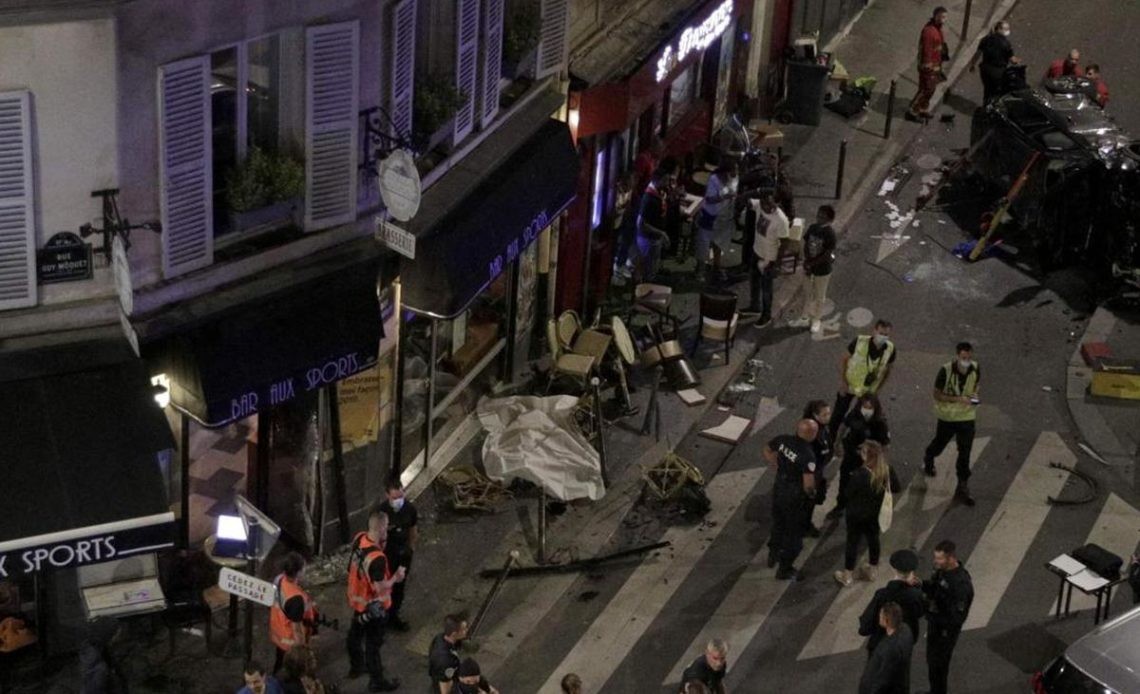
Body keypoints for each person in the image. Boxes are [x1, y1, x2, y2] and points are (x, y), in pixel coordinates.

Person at [346, 508, 406, 692]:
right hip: (374, 606)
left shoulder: (359, 538)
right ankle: (377, 681)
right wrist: (396, 577)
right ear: (381, 529)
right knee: (373, 645)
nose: (387, 530)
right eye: (386, 527)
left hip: (358, 600)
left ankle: (356, 666)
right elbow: (380, 587)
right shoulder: (377, 559)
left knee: (354, 634)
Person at [908, 540, 974, 694]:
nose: (935, 561)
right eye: (935, 558)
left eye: (939, 559)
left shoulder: (961, 585)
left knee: (939, 667)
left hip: (945, 633)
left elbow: (957, 619)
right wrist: (921, 584)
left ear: (951, 558)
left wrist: (930, 612)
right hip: (936, 625)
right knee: (932, 664)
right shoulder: (942, 570)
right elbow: (935, 588)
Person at [834, 441, 901, 586]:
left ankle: (847, 575)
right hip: (876, 514)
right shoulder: (887, 470)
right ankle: (872, 570)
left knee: (852, 542)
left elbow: (848, 493)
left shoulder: (860, 474)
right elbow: (896, 488)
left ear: (866, 456)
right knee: (873, 539)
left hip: (856, 514)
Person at [922, 341, 980, 506]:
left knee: (965, 451)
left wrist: (974, 400)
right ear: (957, 356)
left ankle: (962, 485)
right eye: (963, 357)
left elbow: (976, 386)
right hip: (947, 417)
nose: (966, 361)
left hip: (966, 418)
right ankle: (929, 456)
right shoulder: (945, 371)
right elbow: (937, 394)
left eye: (969, 357)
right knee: (939, 444)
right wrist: (958, 399)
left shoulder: (975, 368)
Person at [763, 419, 819, 580]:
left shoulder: (783, 440)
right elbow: (808, 485)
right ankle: (785, 569)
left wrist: (777, 465)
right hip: (794, 495)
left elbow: (767, 449)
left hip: (780, 487)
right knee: (794, 536)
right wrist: (812, 495)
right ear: (812, 434)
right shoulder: (807, 455)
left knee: (778, 523)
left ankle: (773, 553)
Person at [827, 394, 891, 521]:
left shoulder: (880, 422)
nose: (866, 409)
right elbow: (844, 426)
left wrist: (877, 459)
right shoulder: (855, 414)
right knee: (844, 481)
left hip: (869, 460)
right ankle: (840, 506)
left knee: (866, 486)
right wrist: (837, 443)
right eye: (864, 406)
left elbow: (885, 445)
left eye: (870, 407)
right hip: (851, 455)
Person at [830, 320, 897, 441]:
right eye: (881, 333)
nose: (883, 337)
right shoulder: (860, 341)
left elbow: (888, 370)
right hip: (850, 385)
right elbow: (844, 360)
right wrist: (844, 382)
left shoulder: (890, 349)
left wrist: (878, 390)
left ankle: (850, 439)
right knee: (838, 414)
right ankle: (831, 438)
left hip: (868, 390)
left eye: (886, 335)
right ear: (874, 331)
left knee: (860, 416)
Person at [859, 550, 925, 656]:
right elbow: (920, 612)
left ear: (894, 569)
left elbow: (866, 626)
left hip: (882, 644)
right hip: (905, 643)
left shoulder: (882, 595)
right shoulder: (916, 594)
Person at [377, 479, 418, 631]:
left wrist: (411, 548)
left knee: (399, 588)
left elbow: (413, 530)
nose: (398, 501)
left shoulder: (410, 509)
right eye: (395, 498)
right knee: (384, 588)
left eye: (401, 496)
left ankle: (394, 616)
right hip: (387, 557)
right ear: (387, 495)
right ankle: (382, 617)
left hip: (404, 555)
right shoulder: (381, 512)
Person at [789, 205, 837, 333]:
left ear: (829, 219)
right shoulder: (813, 228)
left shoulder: (830, 234)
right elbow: (806, 243)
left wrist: (811, 264)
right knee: (808, 293)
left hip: (822, 270)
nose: (819, 218)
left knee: (819, 296)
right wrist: (807, 261)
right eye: (818, 215)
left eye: (823, 217)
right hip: (809, 267)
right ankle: (804, 317)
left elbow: (827, 254)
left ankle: (816, 319)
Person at [743, 194, 787, 327]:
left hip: (769, 259)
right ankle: (754, 306)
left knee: (766, 289)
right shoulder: (759, 206)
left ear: (775, 203)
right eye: (764, 204)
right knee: (754, 281)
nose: (767, 207)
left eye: (770, 204)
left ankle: (766, 314)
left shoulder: (781, 220)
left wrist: (778, 264)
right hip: (757, 252)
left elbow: (784, 243)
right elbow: (748, 201)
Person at [269, 552, 317, 674]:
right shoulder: (296, 599)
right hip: (290, 640)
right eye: (304, 568)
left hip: (278, 633)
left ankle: (276, 678)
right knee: (293, 669)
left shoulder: (279, 579)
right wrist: (302, 649)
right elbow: (296, 629)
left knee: (279, 661)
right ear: (298, 572)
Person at [695, 160, 739, 282]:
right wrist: (723, 196)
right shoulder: (714, 179)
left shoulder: (735, 179)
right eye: (732, 171)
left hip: (723, 217)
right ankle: (700, 270)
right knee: (704, 244)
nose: (735, 173)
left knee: (719, 243)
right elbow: (709, 199)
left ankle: (717, 267)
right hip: (709, 216)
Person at [858, 603, 913, 694]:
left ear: (886, 620)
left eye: (881, 615)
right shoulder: (906, 630)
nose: (879, 617)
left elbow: (883, 680)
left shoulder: (889, 649)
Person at [907, 6, 949, 120]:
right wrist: (927, 64)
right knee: (927, 89)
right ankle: (912, 110)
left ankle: (923, 108)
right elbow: (927, 49)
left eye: (945, 17)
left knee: (929, 88)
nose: (943, 19)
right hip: (928, 66)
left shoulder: (937, 28)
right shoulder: (929, 31)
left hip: (935, 64)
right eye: (941, 17)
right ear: (935, 16)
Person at [635, 165, 674, 282]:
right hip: (648, 240)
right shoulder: (648, 198)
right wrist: (661, 233)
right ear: (656, 180)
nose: (667, 184)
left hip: (655, 238)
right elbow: (640, 224)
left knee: (653, 267)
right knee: (647, 269)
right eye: (665, 180)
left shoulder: (659, 192)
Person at [801, 400, 834, 538]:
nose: (828, 416)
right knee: (808, 502)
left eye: (828, 413)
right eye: (825, 414)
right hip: (811, 473)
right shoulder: (811, 432)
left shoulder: (821, 427)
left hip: (818, 470)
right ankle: (804, 526)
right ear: (815, 415)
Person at [970, 21, 1018, 103]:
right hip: (998, 72)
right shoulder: (1006, 44)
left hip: (985, 69)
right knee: (997, 92)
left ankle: (985, 105)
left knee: (987, 89)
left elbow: (978, 53)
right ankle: (992, 109)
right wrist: (1017, 60)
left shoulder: (985, 39)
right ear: (999, 29)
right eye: (1005, 29)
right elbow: (1013, 60)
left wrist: (973, 64)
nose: (1007, 31)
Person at [428, 613, 469, 694]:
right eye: (464, 629)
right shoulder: (447, 661)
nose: (467, 630)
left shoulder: (439, 637)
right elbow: (445, 690)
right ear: (454, 634)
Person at [612, 172, 639, 280]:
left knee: (625, 241)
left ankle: (620, 264)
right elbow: (614, 209)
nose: (631, 187)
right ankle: (615, 270)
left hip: (623, 221)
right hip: (613, 223)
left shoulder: (629, 191)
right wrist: (623, 208)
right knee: (614, 245)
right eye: (629, 184)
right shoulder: (615, 192)